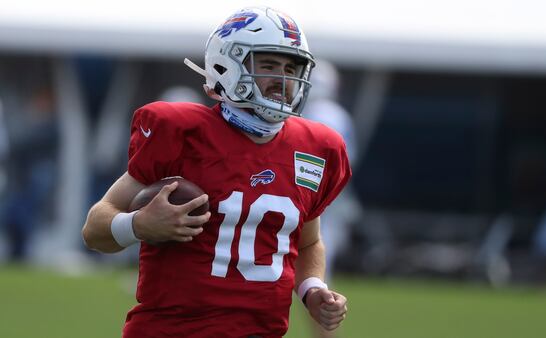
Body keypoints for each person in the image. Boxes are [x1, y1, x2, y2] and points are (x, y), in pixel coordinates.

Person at [82, 6, 350, 338]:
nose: (283, 79)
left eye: (291, 67)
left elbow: (309, 243)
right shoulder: (182, 133)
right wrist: (138, 224)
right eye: (268, 65)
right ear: (227, 66)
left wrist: (312, 288)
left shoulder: (315, 147)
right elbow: (94, 229)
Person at [302, 60, 361, 338]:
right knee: (317, 278)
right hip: (327, 203)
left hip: (310, 202)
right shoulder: (338, 115)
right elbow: (349, 164)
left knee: (313, 278)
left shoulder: (305, 114)